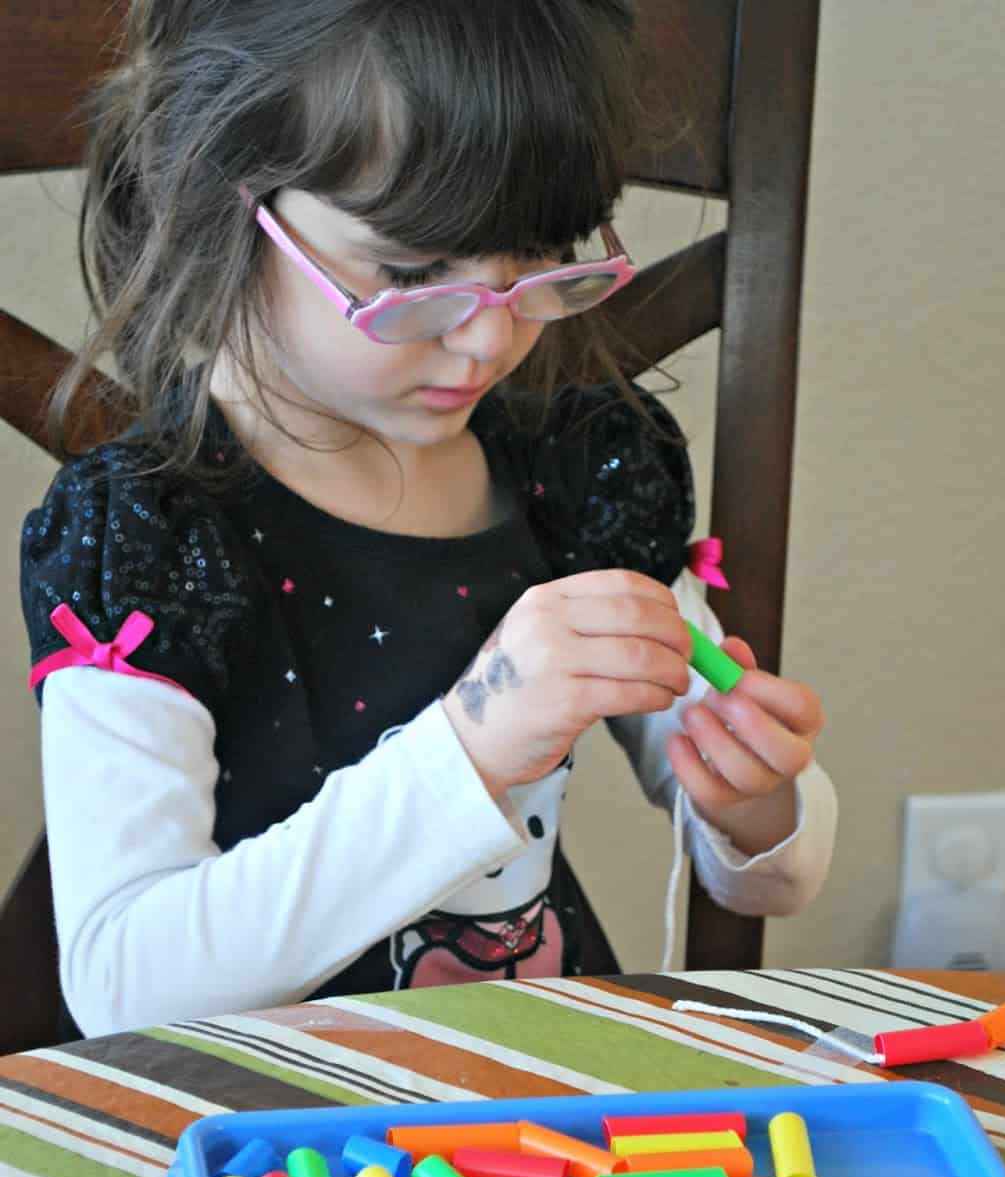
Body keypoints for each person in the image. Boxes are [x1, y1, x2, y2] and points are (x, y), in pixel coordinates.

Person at [20, 0, 836, 1039]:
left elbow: (776, 879)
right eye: (411, 276)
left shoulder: (571, 473)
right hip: (278, 1154)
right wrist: (474, 743)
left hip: (536, 1112)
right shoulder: (148, 537)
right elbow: (123, 983)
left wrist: (756, 802)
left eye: (539, 260)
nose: (485, 344)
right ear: (224, 201)